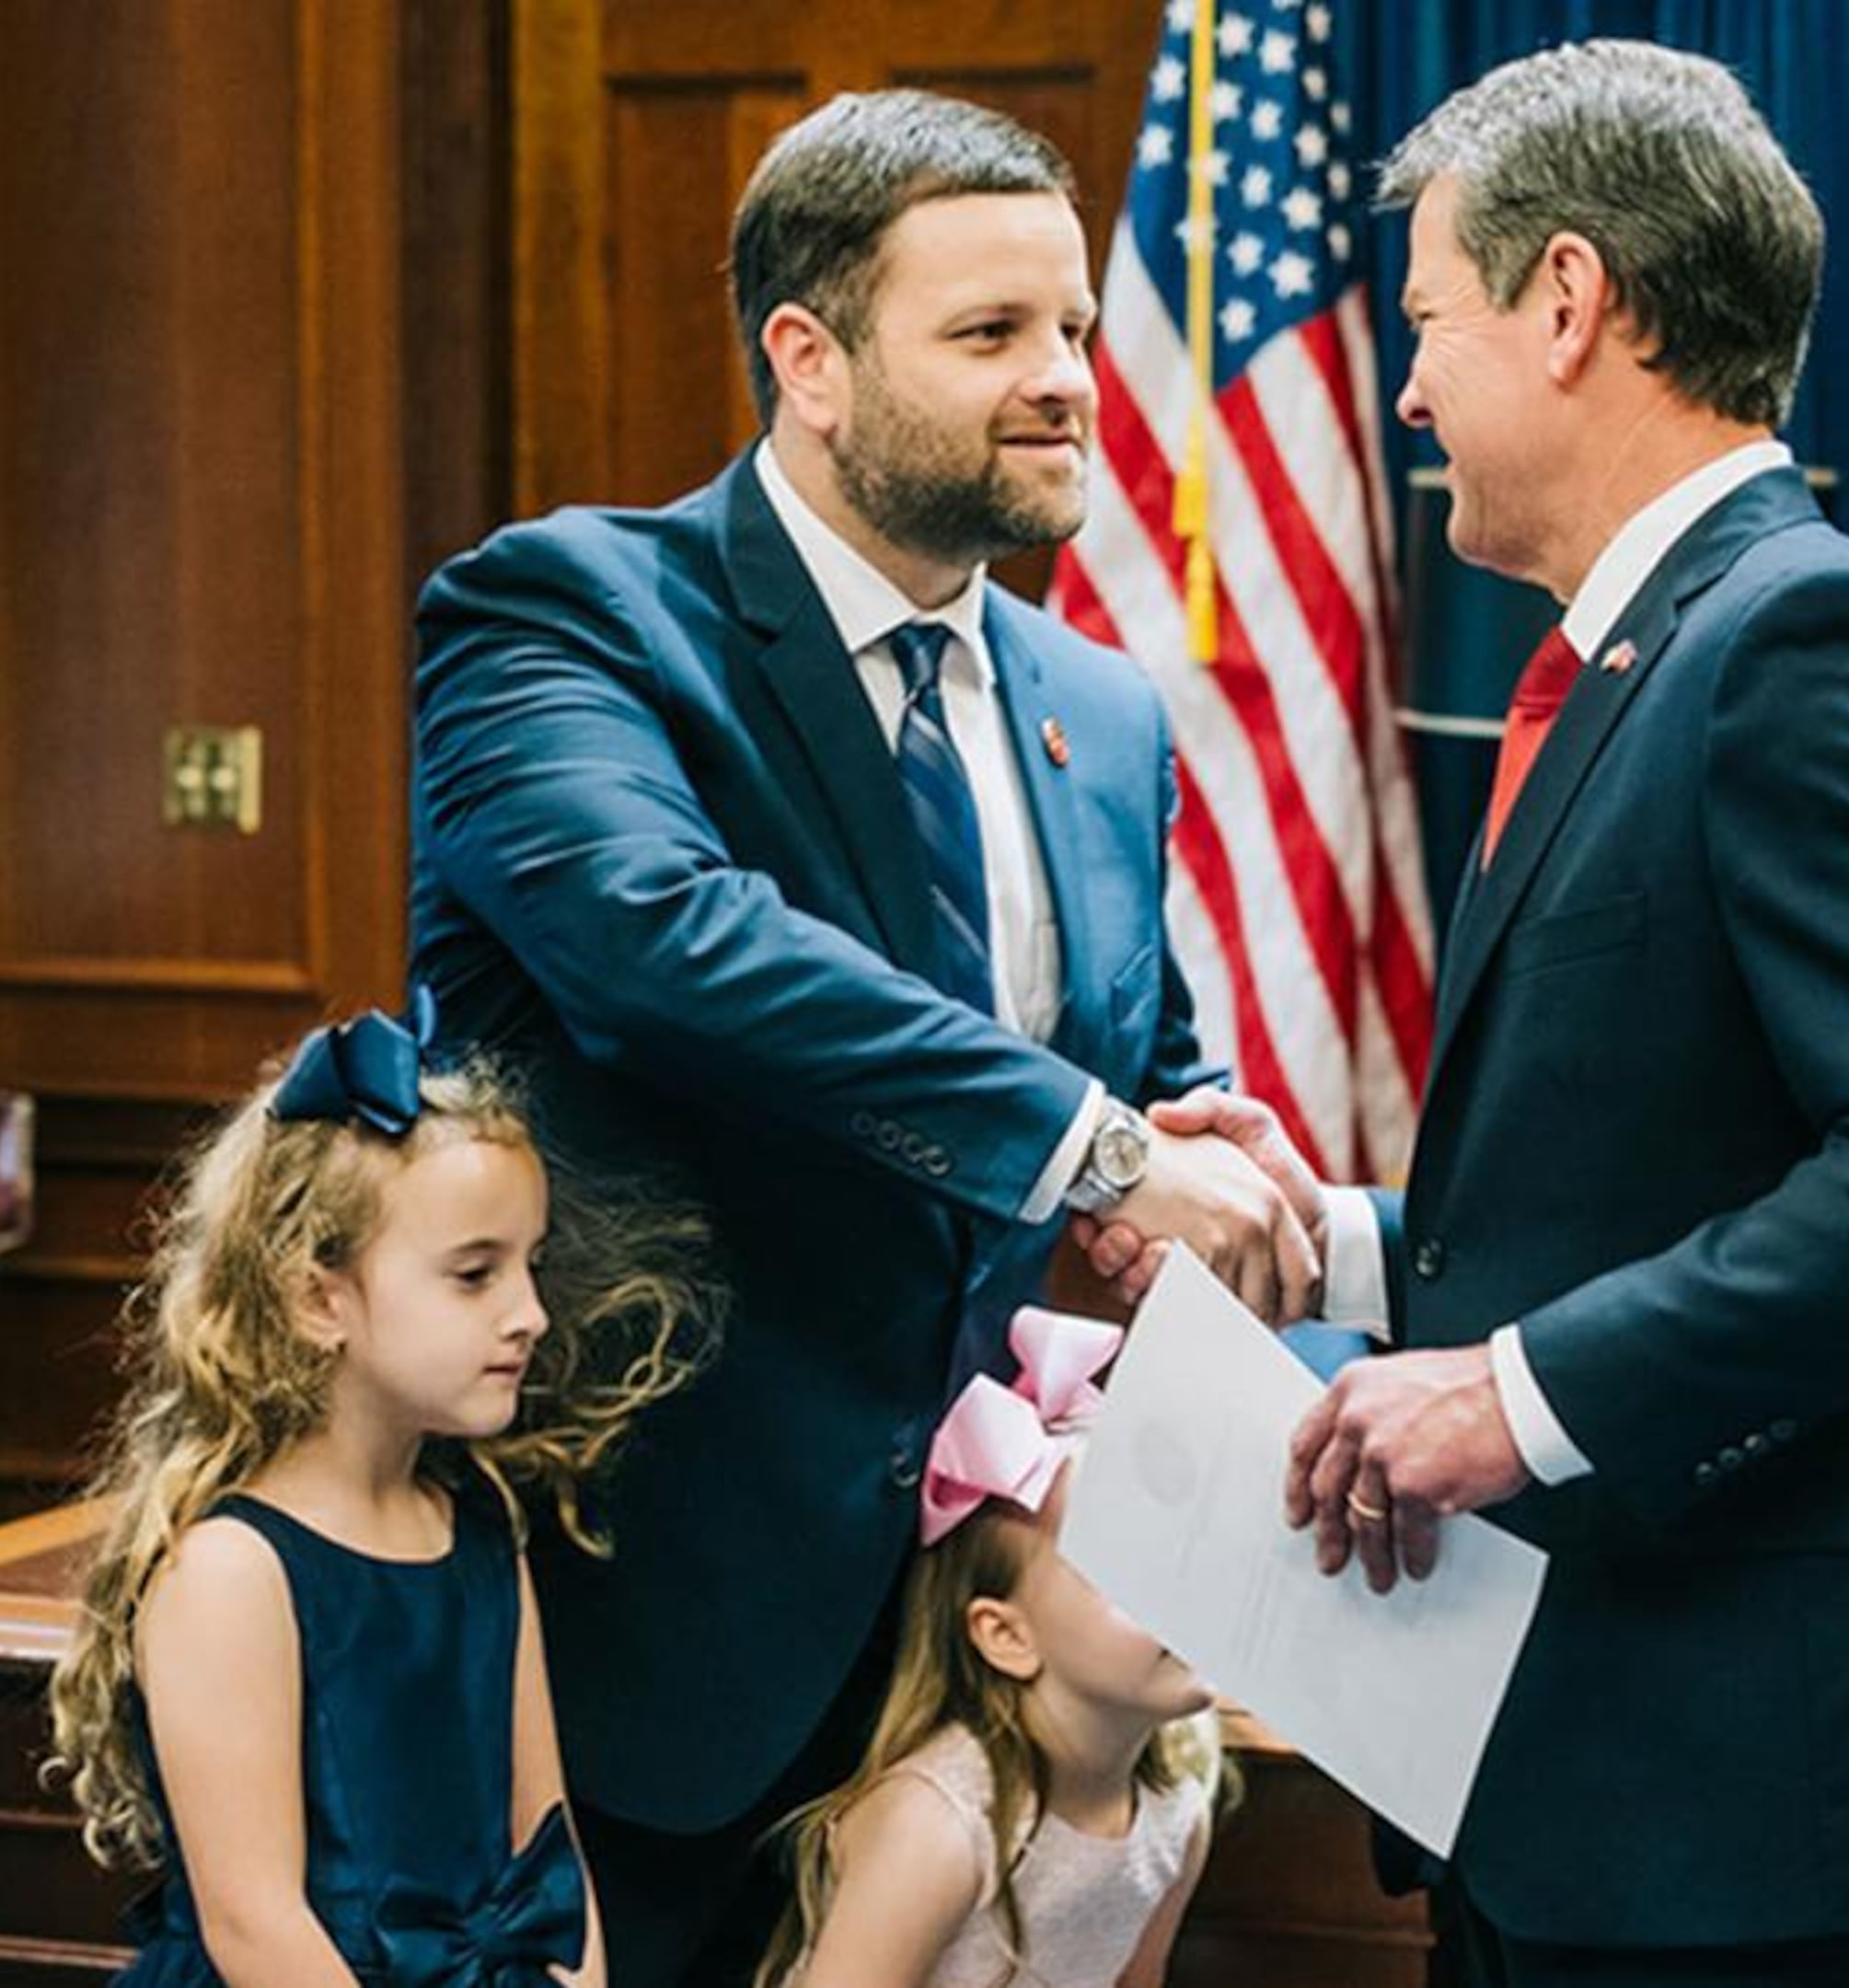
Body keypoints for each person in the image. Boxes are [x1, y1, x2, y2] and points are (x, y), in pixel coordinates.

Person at [1095, 40, 1849, 1986]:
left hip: (1753, 1802)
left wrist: (1515, 1395)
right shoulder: (1637, 656)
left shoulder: (1812, 637)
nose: (1404, 389)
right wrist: (1335, 1242)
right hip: (1587, 1775)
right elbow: (1657, 1163)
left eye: (1430, 322)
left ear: (1569, 303)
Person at [410, 88, 1310, 1982]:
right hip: (653, 1621)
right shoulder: (568, 613)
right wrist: (1101, 1144)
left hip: (977, 1659)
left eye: (1070, 327)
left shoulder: (1100, 707)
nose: (1065, 379)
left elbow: (1109, 1062)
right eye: (990, 336)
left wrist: (1173, 1137)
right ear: (806, 362)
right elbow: (658, 944)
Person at [47, 999, 699, 1988]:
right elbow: (256, 1924)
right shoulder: (231, 1569)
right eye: (474, 1275)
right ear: (320, 1299)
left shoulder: (479, 1530)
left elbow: (544, 1850)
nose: (529, 1313)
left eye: (530, 1265)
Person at [757, 1311, 1217, 1988]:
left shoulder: (1176, 1818)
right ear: (1006, 1637)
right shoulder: (938, 1827)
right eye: (1122, 1568)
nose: (1177, 1590)